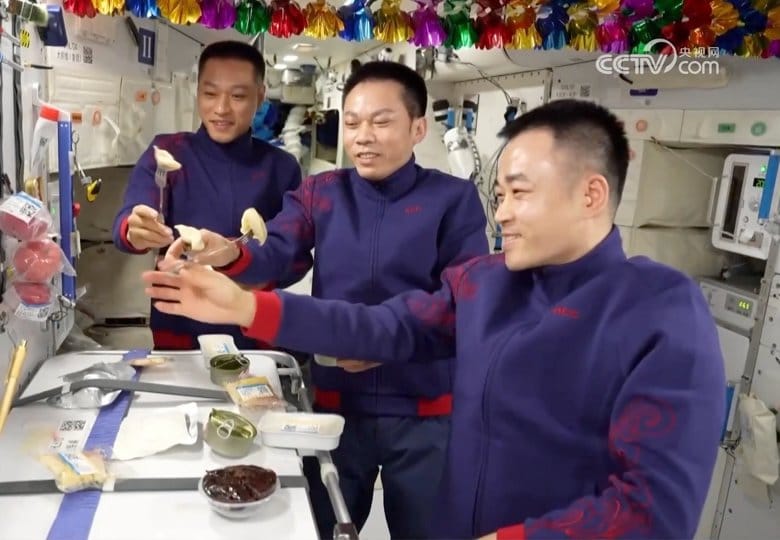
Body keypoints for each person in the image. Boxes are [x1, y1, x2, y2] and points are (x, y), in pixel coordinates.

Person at [144, 98, 726, 539]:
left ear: (592, 194)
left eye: (519, 193)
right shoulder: (487, 282)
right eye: (499, 195)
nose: (502, 214)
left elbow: (655, 507)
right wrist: (245, 305)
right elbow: (384, 326)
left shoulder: (659, 311)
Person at [160, 61, 489, 539]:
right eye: (352, 122)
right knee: (326, 522)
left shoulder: (452, 200)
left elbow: (457, 305)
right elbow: (275, 252)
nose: (362, 136)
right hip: (337, 404)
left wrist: (380, 345)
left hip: (423, 410)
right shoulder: (322, 193)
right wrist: (231, 252)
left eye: (381, 121)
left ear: (418, 128)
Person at [112, 40, 306, 350]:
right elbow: (130, 216)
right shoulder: (168, 151)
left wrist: (241, 266)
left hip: (254, 329)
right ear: (197, 91)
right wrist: (135, 229)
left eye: (238, 96)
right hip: (179, 326)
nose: (221, 109)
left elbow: (295, 257)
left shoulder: (281, 168)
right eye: (210, 93)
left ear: (260, 96)